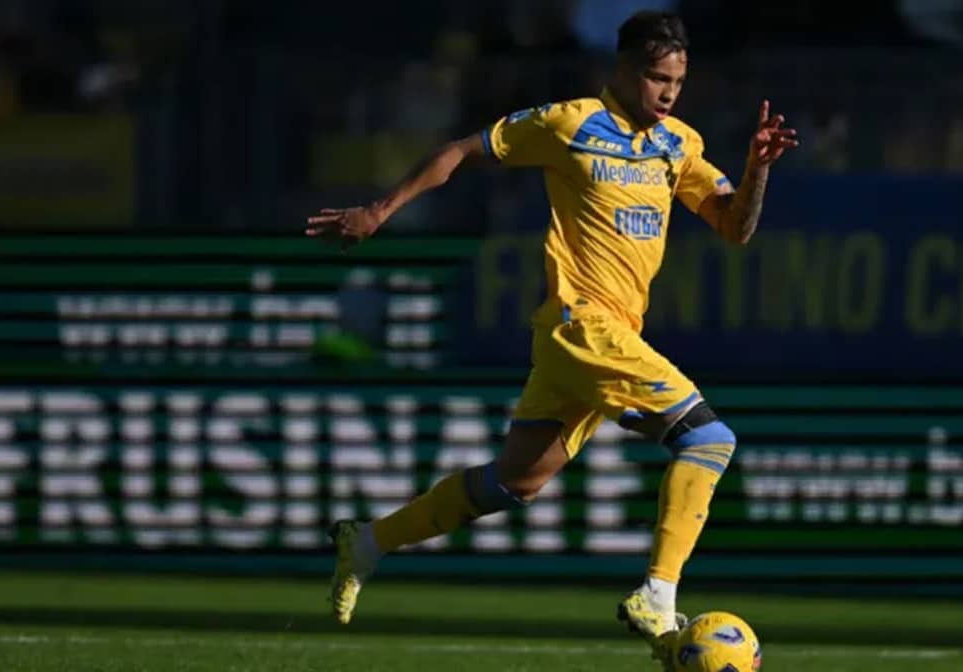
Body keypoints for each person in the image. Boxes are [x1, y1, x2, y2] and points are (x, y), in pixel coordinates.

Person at [304, 10, 796, 668]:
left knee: (516, 483)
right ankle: (658, 591)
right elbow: (460, 151)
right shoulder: (569, 123)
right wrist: (379, 211)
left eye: (677, 79)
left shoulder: (679, 145)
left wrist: (757, 167)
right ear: (621, 72)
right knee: (709, 438)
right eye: (655, 77)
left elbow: (736, 228)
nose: (668, 91)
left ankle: (367, 542)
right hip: (580, 323)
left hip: (605, 338)